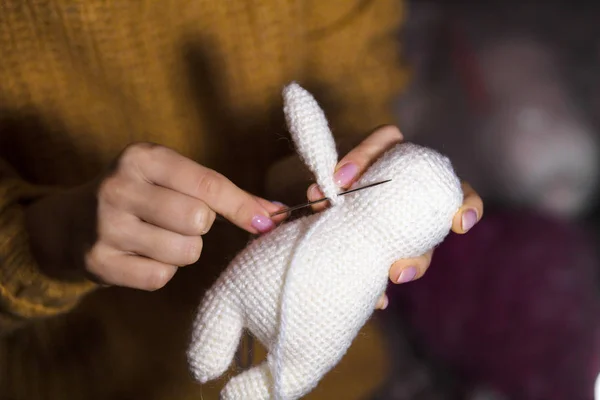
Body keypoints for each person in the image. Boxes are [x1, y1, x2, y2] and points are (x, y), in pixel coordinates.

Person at [0, 0, 483, 399]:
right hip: (84, 377)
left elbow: (358, 89)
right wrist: (42, 240)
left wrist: (342, 158)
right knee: (229, 307)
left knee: (291, 367)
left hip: (339, 386)